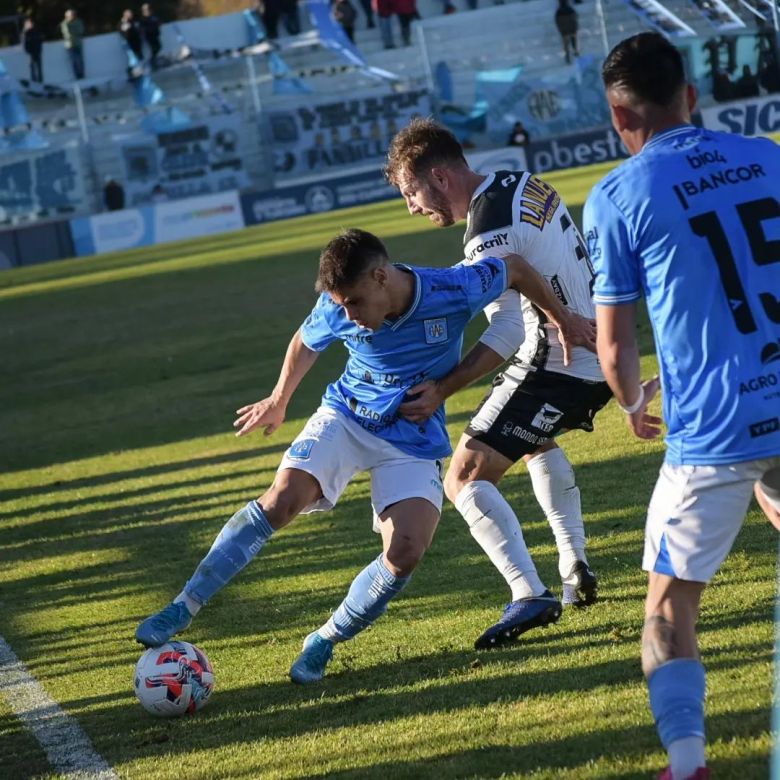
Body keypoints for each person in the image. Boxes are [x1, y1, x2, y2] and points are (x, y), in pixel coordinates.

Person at [135, 228, 586, 682]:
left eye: (353, 302)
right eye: (340, 304)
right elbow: (304, 342)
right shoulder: (337, 307)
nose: (346, 314)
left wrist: (561, 320)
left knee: (406, 550)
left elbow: (517, 269)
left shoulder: (452, 288)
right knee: (282, 499)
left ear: (380, 277)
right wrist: (279, 399)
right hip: (346, 417)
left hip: (411, 435)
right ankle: (183, 607)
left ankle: (324, 640)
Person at [583, 32, 780, 780]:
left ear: (618, 115)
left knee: (668, 612)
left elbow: (612, 347)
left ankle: (689, 763)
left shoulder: (618, 195)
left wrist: (632, 402)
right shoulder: (768, 157)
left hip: (712, 431)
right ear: (691, 96)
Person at [385, 118, 609, 650]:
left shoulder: (487, 233)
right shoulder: (517, 181)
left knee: (462, 476)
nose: (412, 208)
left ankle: (528, 592)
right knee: (532, 444)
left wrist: (443, 387)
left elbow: (508, 330)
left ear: (438, 177)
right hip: (596, 347)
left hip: (559, 362)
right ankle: (573, 562)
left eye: (411, 193)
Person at [61, 8, 85, 80]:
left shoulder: (78, 21)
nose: (72, 16)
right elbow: (68, 35)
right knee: (74, 61)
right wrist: (75, 32)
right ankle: (77, 77)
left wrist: (74, 32)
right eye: (71, 15)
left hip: (78, 44)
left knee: (80, 61)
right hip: (70, 46)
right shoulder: (65, 23)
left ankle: (82, 76)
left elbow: (81, 31)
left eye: (73, 14)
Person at [554, 0, 578, 64]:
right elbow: (575, 19)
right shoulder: (570, 10)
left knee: (566, 45)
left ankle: (568, 58)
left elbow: (558, 22)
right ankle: (575, 52)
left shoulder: (558, 12)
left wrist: (561, 31)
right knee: (573, 42)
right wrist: (575, 28)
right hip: (571, 30)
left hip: (564, 32)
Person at [139, 4, 162, 69]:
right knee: (154, 48)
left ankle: (154, 60)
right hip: (149, 36)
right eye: (146, 10)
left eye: (148, 9)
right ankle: (153, 62)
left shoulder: (153, 17)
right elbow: (142, 28)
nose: (148, 11)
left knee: (159, 47)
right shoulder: (143, 19)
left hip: (155, 34)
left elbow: (158, 22)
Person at [21, 18, 43, 84]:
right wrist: (29, 51)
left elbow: (40, 40)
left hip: (37, 51)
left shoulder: (36, 31)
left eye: (32, 23)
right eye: (30, 23)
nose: (31, 24)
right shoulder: (26, 33)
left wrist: (39, 49)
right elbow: (25, 43)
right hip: (31, 52)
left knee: (39, 68)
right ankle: (34, 82)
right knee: (33, 68)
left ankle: (40, 82)